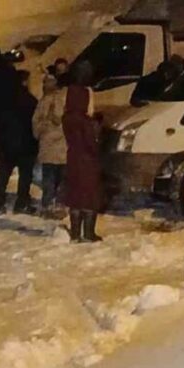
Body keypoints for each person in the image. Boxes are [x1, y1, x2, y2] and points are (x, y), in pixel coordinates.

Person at [62, 61, 103, 242]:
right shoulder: (85, 121)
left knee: (75, 195)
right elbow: (91, 143)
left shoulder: (67, 117)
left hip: (72, 157)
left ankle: (76, 233)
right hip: (86, 160)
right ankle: (88, 233)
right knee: (89, 195)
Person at [0, 70, 38, 215]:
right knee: (25, 176)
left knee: (3, 174)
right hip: (26, 143)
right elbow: (35, 123)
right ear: (24, 82)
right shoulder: (31, 101)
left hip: (6, 143)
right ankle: (22, 203)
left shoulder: (4, 101)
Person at [32, 71, 67, 217]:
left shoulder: (44, 101)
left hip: (49, 146)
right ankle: (58, 205)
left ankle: (48, 205)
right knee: (59, 178)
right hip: (62, 146)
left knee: (49, 178)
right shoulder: (64, 99)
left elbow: (36, 123)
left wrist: (40, 133)